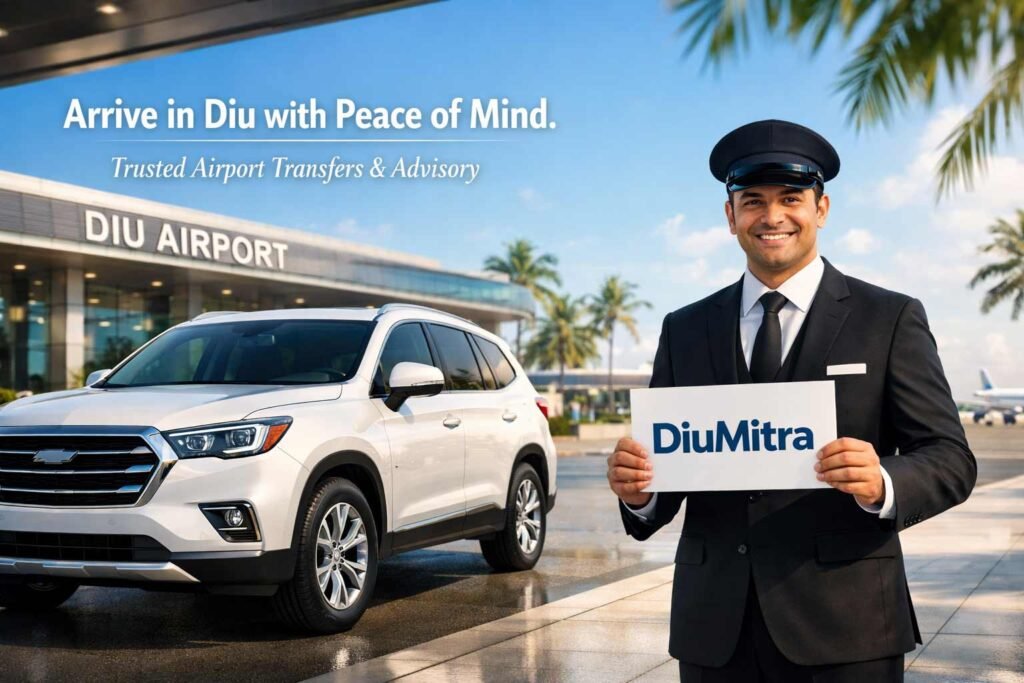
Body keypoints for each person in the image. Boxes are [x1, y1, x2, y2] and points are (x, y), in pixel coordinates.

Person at [606, 119, 976, 682]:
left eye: (791, 199)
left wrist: (884, 482)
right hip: (714, 630)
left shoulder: (889, 318)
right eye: (752, 200)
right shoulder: (685, 329)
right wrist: (639, 492)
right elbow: (667, 472)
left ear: (821, 210)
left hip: (845, 627)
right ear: (731, 217)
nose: (772, 216)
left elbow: (950, 458)